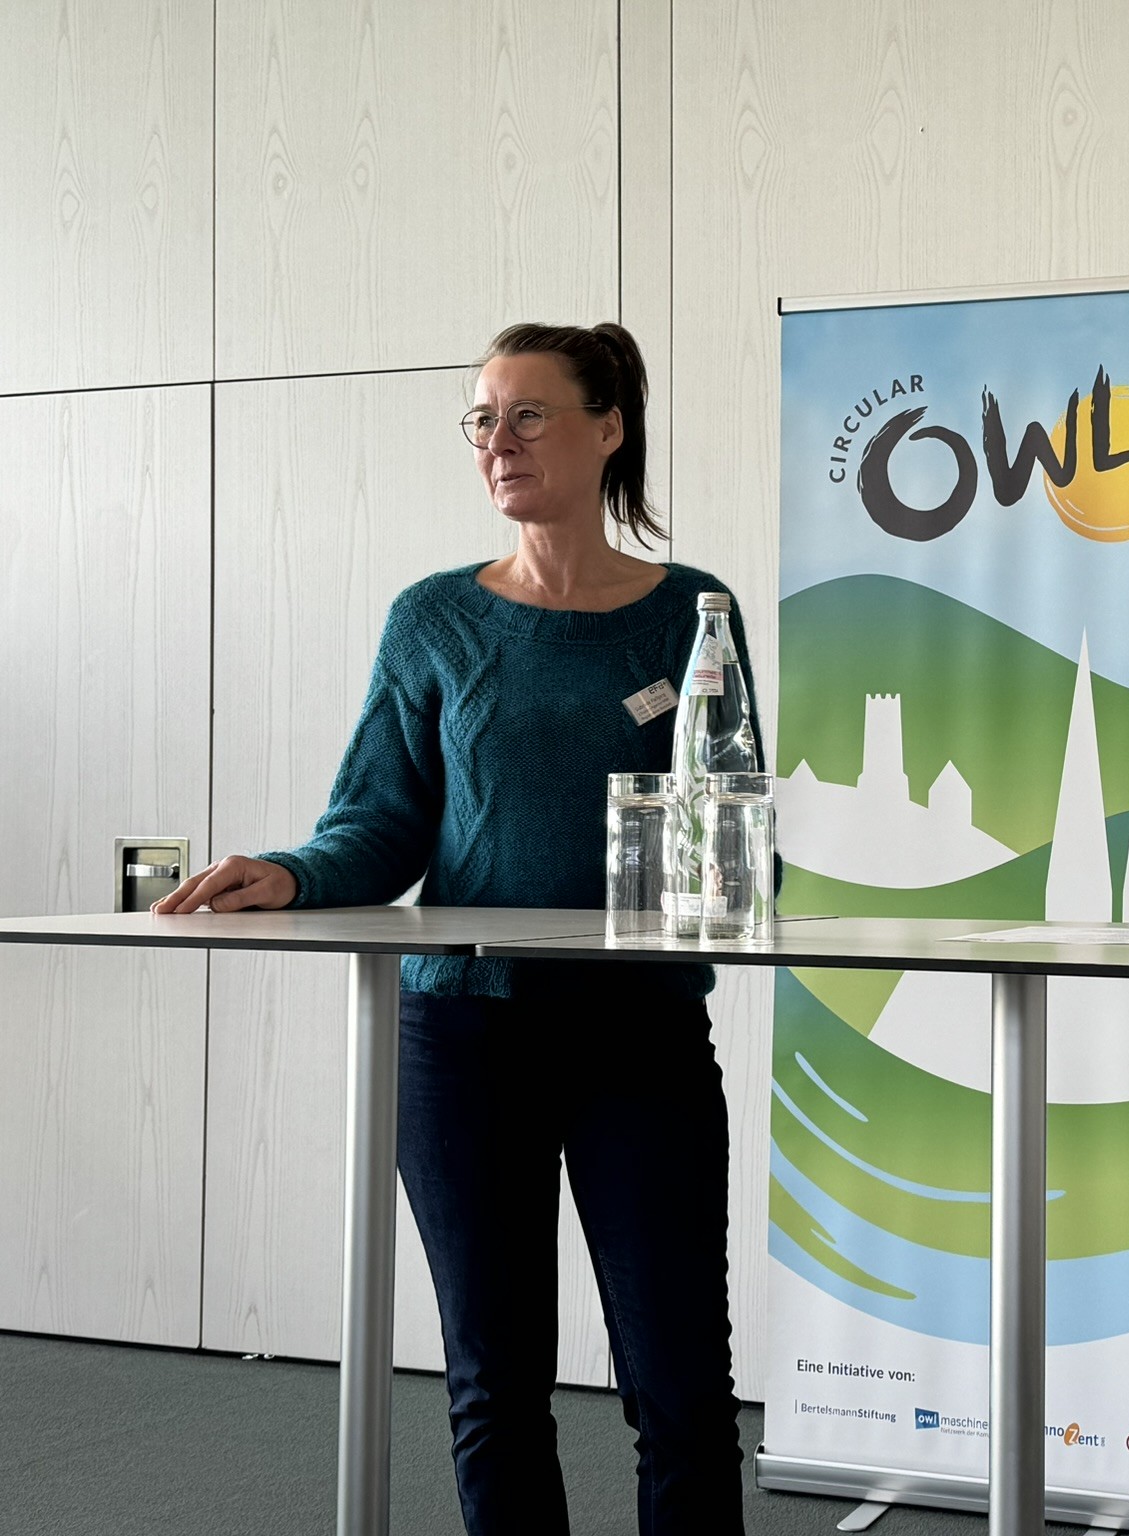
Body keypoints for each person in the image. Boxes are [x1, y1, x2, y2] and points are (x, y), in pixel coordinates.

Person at [155, 321, 755, 1534]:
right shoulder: (432, 619)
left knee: (683, 1386)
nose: (498, 441)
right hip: (462, 1036)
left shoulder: (691, 611)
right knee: (494, 1385)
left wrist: (737, 874)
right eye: (482, 418)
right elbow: (377, 825)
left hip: (638, 1033)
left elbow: (723, 809)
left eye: (528, 414)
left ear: (608, 429)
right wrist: (289, 873)